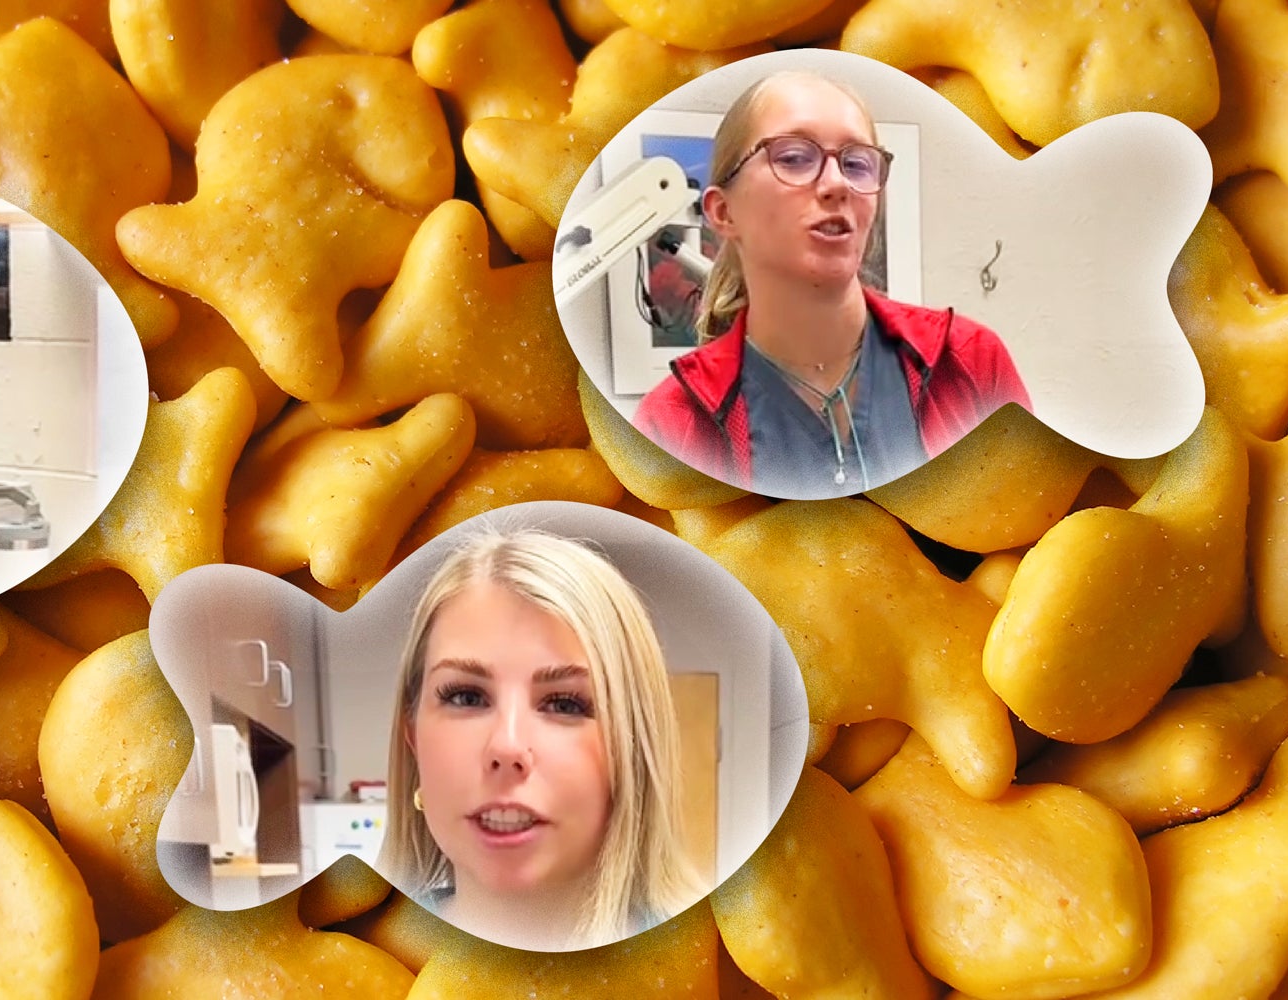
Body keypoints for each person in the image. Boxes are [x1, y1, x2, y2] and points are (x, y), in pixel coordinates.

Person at [633, 70, 1030, 499]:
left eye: (857, 164)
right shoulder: (673, 421)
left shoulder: (970, 360)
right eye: (792, 157)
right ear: (724, 212)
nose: (838, 183)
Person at [377, 529, 704, 951]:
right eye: (466, 696)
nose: (507, 747)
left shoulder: (712, 959)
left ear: (634, 744)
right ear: (413, 737)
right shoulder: (362, 954)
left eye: (565, 704)